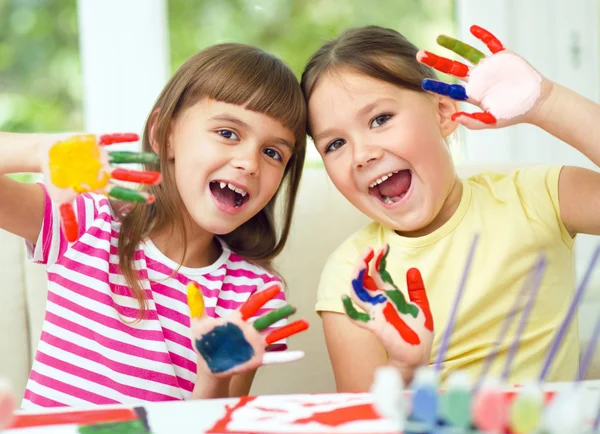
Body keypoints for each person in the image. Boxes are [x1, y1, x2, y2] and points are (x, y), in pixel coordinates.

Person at [0, 42, 308, 407]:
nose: (249, 162)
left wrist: (212, 377)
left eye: (273, 153)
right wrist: (40, 152)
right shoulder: (87, 222)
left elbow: (211, 427)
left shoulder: (251, 293)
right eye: (228, 133)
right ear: (165, 135)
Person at [301, 25, 600, 391]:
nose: (362, 155)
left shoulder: (538, 196)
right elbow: (365, 417)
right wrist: (404, 368)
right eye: (335, 144)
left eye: (380, 119)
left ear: (443, 112)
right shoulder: (353, 275)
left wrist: (549, 103)